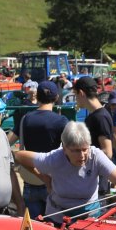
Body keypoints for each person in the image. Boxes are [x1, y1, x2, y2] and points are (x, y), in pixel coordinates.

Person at [16, 120, 116, 220]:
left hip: (90, 218)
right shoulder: (54, 158)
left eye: (84, 149)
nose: (82, 155)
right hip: (58, 218)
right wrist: (44, 178)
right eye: (76, 151)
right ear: (64, 148)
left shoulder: (96, 156)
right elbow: (19, 156)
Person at [16, 82, 69, 219]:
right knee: (54, 226)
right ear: (56, 97)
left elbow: (8, 141)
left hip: (30, 179)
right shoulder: (61, 121)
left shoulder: (25, 119)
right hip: (53, 182)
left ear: (37, 97)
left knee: (34, 228)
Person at [74, 76, 115, 161]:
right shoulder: (94, 115)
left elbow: (107, 152)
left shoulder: (100, 117)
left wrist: (79, 154)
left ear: (81, 93)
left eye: (75, 95)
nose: (76, 99)